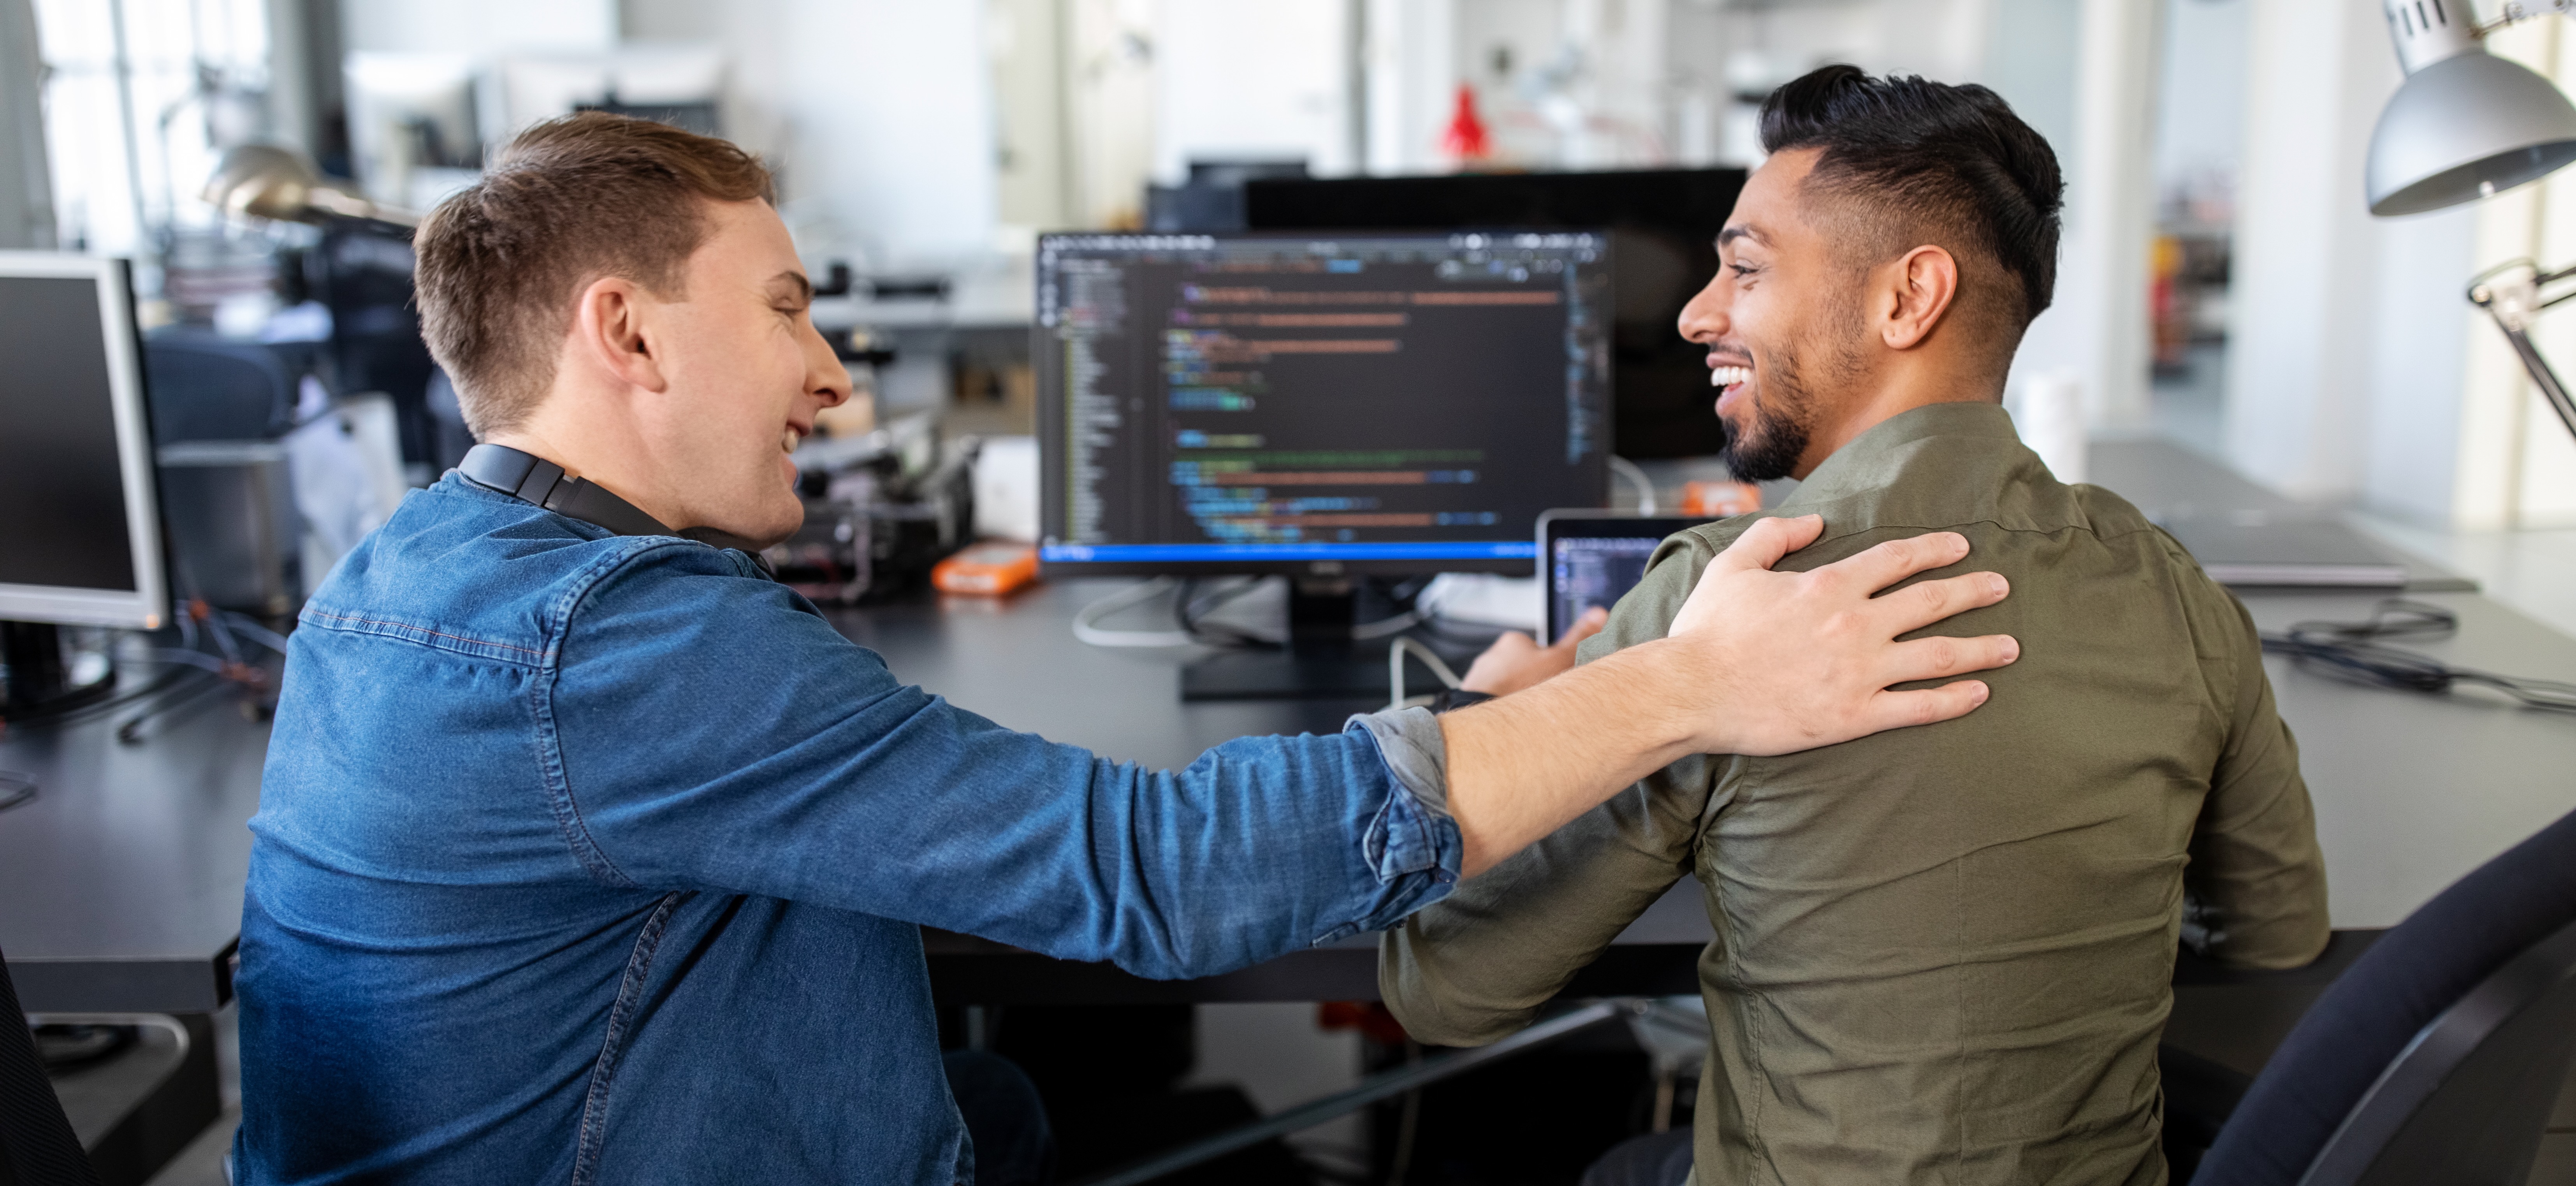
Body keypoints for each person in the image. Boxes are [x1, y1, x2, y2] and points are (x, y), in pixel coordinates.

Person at [229, 112, 2025, 1185]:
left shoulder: (432, 567)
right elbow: (1152, 878)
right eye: (785, 310)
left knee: (1011, 1089)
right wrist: (1691, 681)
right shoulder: (613, 649)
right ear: (623, 333)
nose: (832, 375)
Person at [1378, 66, 2330, 1186]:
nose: (1697, 312)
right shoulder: (2174, 589)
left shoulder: (1728, 594)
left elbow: (1449, 988)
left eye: (1743, 268)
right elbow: (2276, 932)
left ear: (1906, 298)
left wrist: (1498, 708)